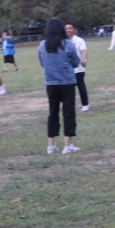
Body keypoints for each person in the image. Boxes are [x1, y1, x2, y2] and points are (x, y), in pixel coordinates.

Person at [38, 18, 81, 154]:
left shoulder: (42, 45)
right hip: (67, 82)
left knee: (53, 112)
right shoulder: (68, 44)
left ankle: (51, 145)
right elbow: (76, 62)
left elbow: (42, 63)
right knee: (68, 112)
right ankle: (67, 144)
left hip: (51, 83)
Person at [66, 23, 89, 111]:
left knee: (81, 86)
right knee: (68, 89)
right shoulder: (63, 41)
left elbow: (83, 51)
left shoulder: (79, 40)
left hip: (78, 68)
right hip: (67, 69)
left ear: (73, 29)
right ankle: (70, 105)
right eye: (66, 29)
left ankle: (85, 104)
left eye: (70, 28)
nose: (68, 30)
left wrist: (83, 59)